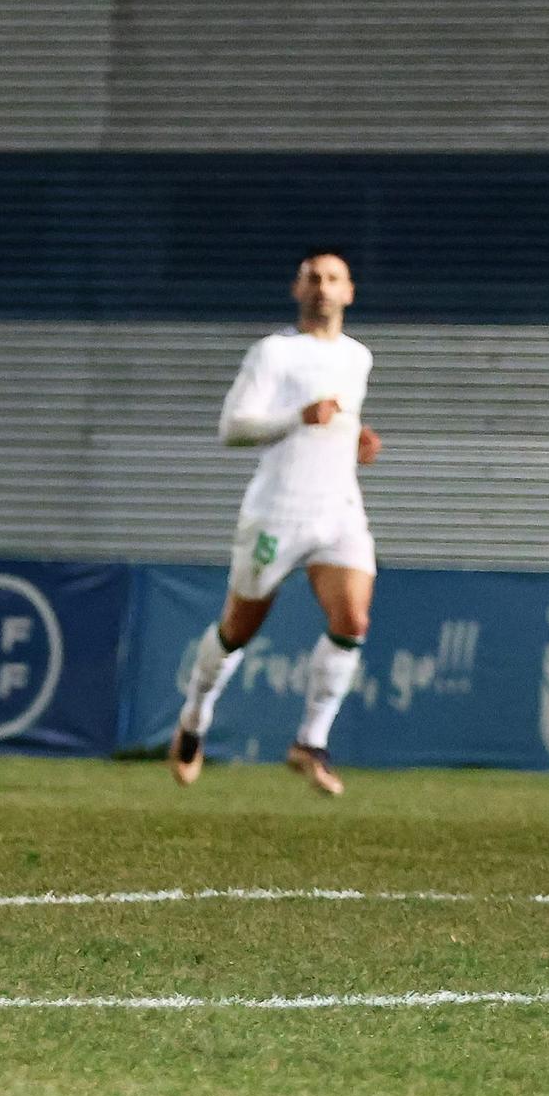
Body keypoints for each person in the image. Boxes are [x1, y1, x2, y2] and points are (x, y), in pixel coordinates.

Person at [170, 249, 381, 796]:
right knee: (238, 630)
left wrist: (356, 437)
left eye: (333, 279)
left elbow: (338, 416)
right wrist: (298, 418)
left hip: (338, 509)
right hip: (277, 511)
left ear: (350, 292)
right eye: (313, 278)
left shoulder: (359, 358)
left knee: (353, 620)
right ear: (297, 289)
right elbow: (232, 429)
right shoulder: (273, 353)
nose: (322, 287)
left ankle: (309, 743)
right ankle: (195, 716)